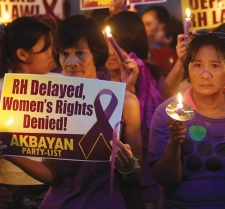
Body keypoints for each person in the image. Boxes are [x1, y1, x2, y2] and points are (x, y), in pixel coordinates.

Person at [3, 15, 142, 208]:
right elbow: (51, 175)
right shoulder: (50, 102)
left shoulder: (124, 102)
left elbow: (136, 174)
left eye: (80, 52)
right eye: (64, 53)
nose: (71, 61)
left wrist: (127, 166)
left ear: (96, 53)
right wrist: (8, 151)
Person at [148, 30, 225, 208]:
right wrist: (174, 142)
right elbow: (166, 181)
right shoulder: (166, 114)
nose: (205, 74)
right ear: (188, 69)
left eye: (215, 66)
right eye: (197, 65)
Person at [104, 10, 164, 208]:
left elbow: (138, 142)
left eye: (118, 45)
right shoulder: (95, 78)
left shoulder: (141, 77)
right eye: (105, 44)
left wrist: (128, 88)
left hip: (141, 183)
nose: (111, 52)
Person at [0, 17, 56, 209]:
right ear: (23, 54)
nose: (52, 55)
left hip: (52, 183)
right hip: (9, 187)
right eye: (46, 49)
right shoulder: (2, 90)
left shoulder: (62, 86)